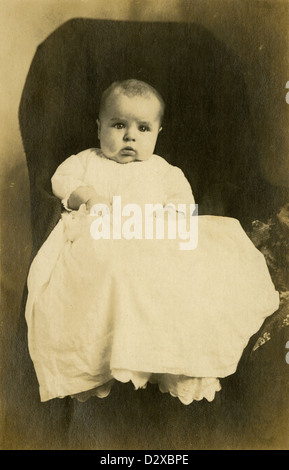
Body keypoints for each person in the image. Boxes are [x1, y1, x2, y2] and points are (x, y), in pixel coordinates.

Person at [25, 79, 279, 405]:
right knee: (110, 268)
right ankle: (118, 354)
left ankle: (168, 355)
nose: (130, 136)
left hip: (152, 234)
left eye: (143, 128)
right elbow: (61, 180)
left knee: (201, 258)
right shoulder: (86, 160)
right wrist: (87, 196)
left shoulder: (163, 171)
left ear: (158, 132)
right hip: (104, 233)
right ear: (99, 127)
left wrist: (169, 219)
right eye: (119, 125)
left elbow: (182, 204)